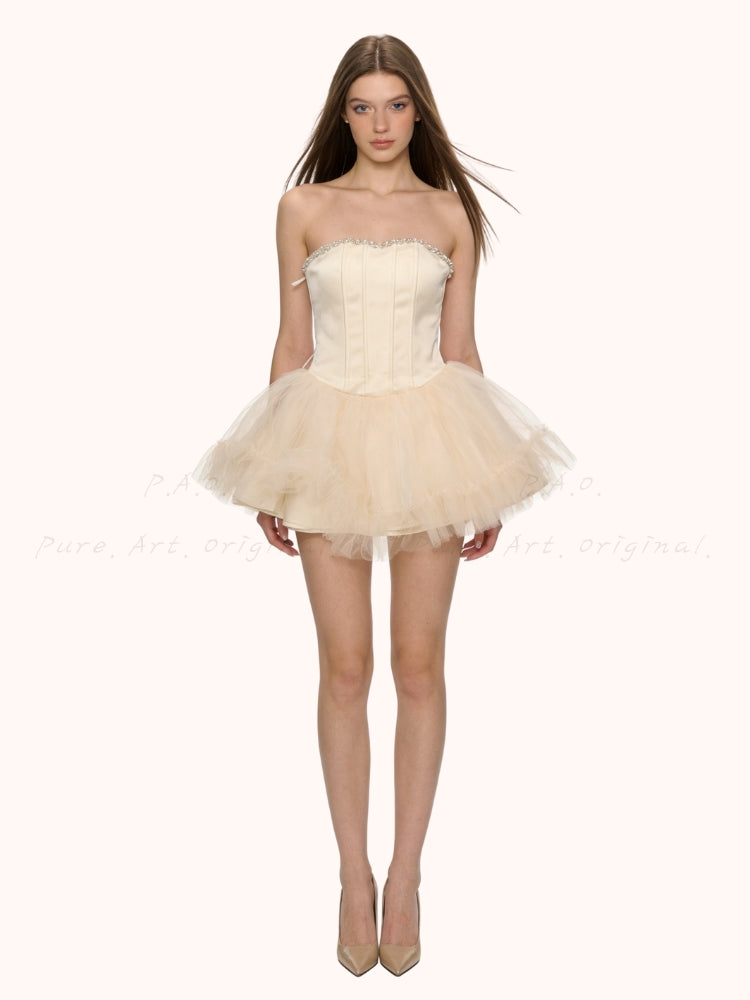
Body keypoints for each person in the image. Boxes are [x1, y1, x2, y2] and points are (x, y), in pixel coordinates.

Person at [192, 34, 575, 977]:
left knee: (418, 666)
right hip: (325, 436)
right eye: (362, 106)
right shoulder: (302, 207)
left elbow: (462, 348)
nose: (379, 123)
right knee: (344, 669)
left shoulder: (448, 214)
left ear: (419, 111)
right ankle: (350, 875)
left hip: (430, 436)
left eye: (396, 105)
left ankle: (406, 876)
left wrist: (487, 474)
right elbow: (291, 342)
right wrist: (271, 467)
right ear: (342, 113)